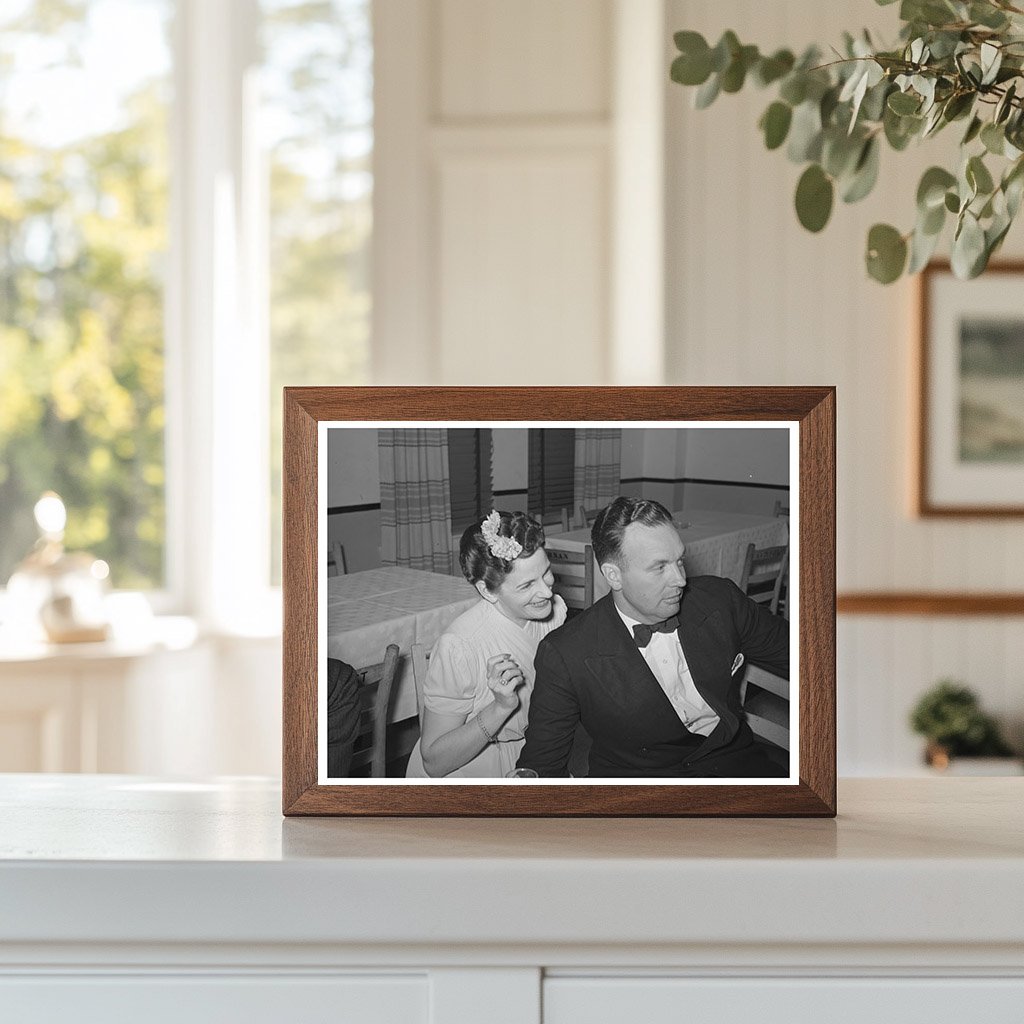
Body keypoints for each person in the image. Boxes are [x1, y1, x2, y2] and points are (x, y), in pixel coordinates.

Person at [517, 497, 789, 778]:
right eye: (659, 567)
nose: (680, 580)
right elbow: (541, 768)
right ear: (614, 576)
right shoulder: (565, 653)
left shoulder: (721, 600)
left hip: (736, 766)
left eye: (679, 561)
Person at [405, 510, 567, 778]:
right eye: (527, 585)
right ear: (487, 590)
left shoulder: (554, 612)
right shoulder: (459, 646)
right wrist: (500, 707)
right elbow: (434, 762)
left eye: (546, 572)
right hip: (472, 765)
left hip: (537, 753)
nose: (547, 592)